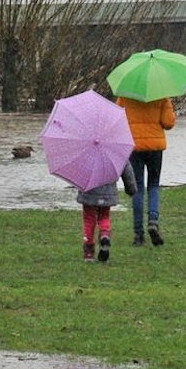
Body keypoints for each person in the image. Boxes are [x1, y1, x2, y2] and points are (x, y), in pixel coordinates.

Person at [119, 94, 177, 245]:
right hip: (155, 147)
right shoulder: (162, 95)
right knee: (154, 185)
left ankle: (138, 235)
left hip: (134, 146)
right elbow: (168, 123)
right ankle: (153, 220)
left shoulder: (125, 95)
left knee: (137, 188)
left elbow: (117, 119)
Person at [77, 162, 136, 263]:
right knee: (104, 216)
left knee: (89, 219)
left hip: (88, 190)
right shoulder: (114, 152)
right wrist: (131, 189)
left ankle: (89, 252)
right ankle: (105, 235)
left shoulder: (85, 154)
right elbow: (127, 170)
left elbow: (77, 171)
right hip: (107, 191)